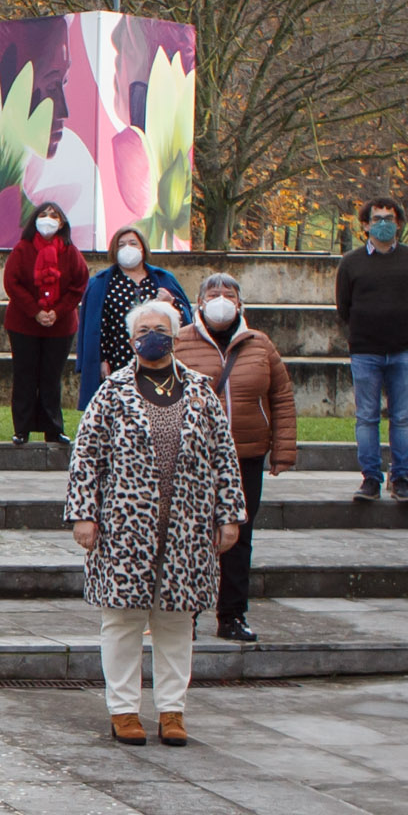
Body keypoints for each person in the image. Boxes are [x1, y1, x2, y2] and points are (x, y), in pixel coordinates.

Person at [63, 300, 248, 746]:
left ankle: (171, 710)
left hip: (186, 527)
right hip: (124, 528)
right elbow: (86, 458)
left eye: (161, 329)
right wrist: (83, 513)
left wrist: (229, 515)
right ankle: (124, 710)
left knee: (176, 623)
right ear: (131, 340)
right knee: (122, 622)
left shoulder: (201, 391)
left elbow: (225, 458)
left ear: (176, 336)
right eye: (144, 330)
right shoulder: (112, 392)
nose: (152, 336)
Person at [176, 272, 295, 643]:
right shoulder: (179, 341)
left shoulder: (260, 344)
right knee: (191, 535)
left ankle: (232, 615)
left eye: (228, 294)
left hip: (246, 455)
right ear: (199, 301)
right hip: (193, 459)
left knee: (239, 537)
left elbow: (281, 397)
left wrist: (283, 449)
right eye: (213, 293)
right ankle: (185, 615)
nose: (221, 299)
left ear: (240, 303)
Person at [334, 198, 408, 504]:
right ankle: (371, 479)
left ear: (399, 223)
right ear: (365, 225)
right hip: (365, 350)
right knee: (367, 417)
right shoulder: (351, 262)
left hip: (403, 349)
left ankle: (401, 478)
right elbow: (343, 306)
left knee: (402, 417)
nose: (384, 224)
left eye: (389, 218)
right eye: (377, 219)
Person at [2, 204, 88, 448]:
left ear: (61, 223)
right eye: (43, 215)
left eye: (53, 216)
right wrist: (35, 311)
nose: (48, 219)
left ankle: (54, 429)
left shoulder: (71, 252)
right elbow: (12, 283)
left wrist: (57, 312)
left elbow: (79, 285)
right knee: (25, 376)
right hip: (24, 324)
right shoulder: (22, 249)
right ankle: (22, 429)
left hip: (60, 326)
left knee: (51, 377)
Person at [74, 231, 189, 395]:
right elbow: (96, 327)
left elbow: (185, 320)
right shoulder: (101, 283)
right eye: (121, 245)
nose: (127, 248)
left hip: (158, 355)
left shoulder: (163, 279)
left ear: (143, 248)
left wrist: (171, 303)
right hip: (117, 356)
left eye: (133, 243)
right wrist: (101, 359)